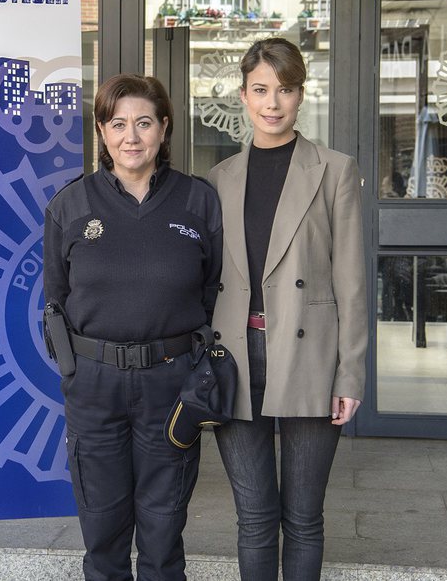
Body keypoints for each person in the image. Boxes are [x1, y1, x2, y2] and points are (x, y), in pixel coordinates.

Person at [43, 74, 223, 581]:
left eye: (144, 123)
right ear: (101, 131)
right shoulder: (70, 205)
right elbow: (55, 299)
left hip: (170, 384)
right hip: (94, 387)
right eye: (118, 123)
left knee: (164, 532)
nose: (131, 136)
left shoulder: (198, 201)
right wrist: (77, 373)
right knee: (102, 533)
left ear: (164, 129)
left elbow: (211, 290)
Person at [207, 38, 368, 580]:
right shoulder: (219, 178)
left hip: (312, 354)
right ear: (243, 95)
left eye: (285, 89)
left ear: (301, 94)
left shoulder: (335, 170)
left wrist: (351, 372)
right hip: (237, 354)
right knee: (253, 517)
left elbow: (351, 281)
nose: (272, 102)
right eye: (260, 90)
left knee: (302, 517)